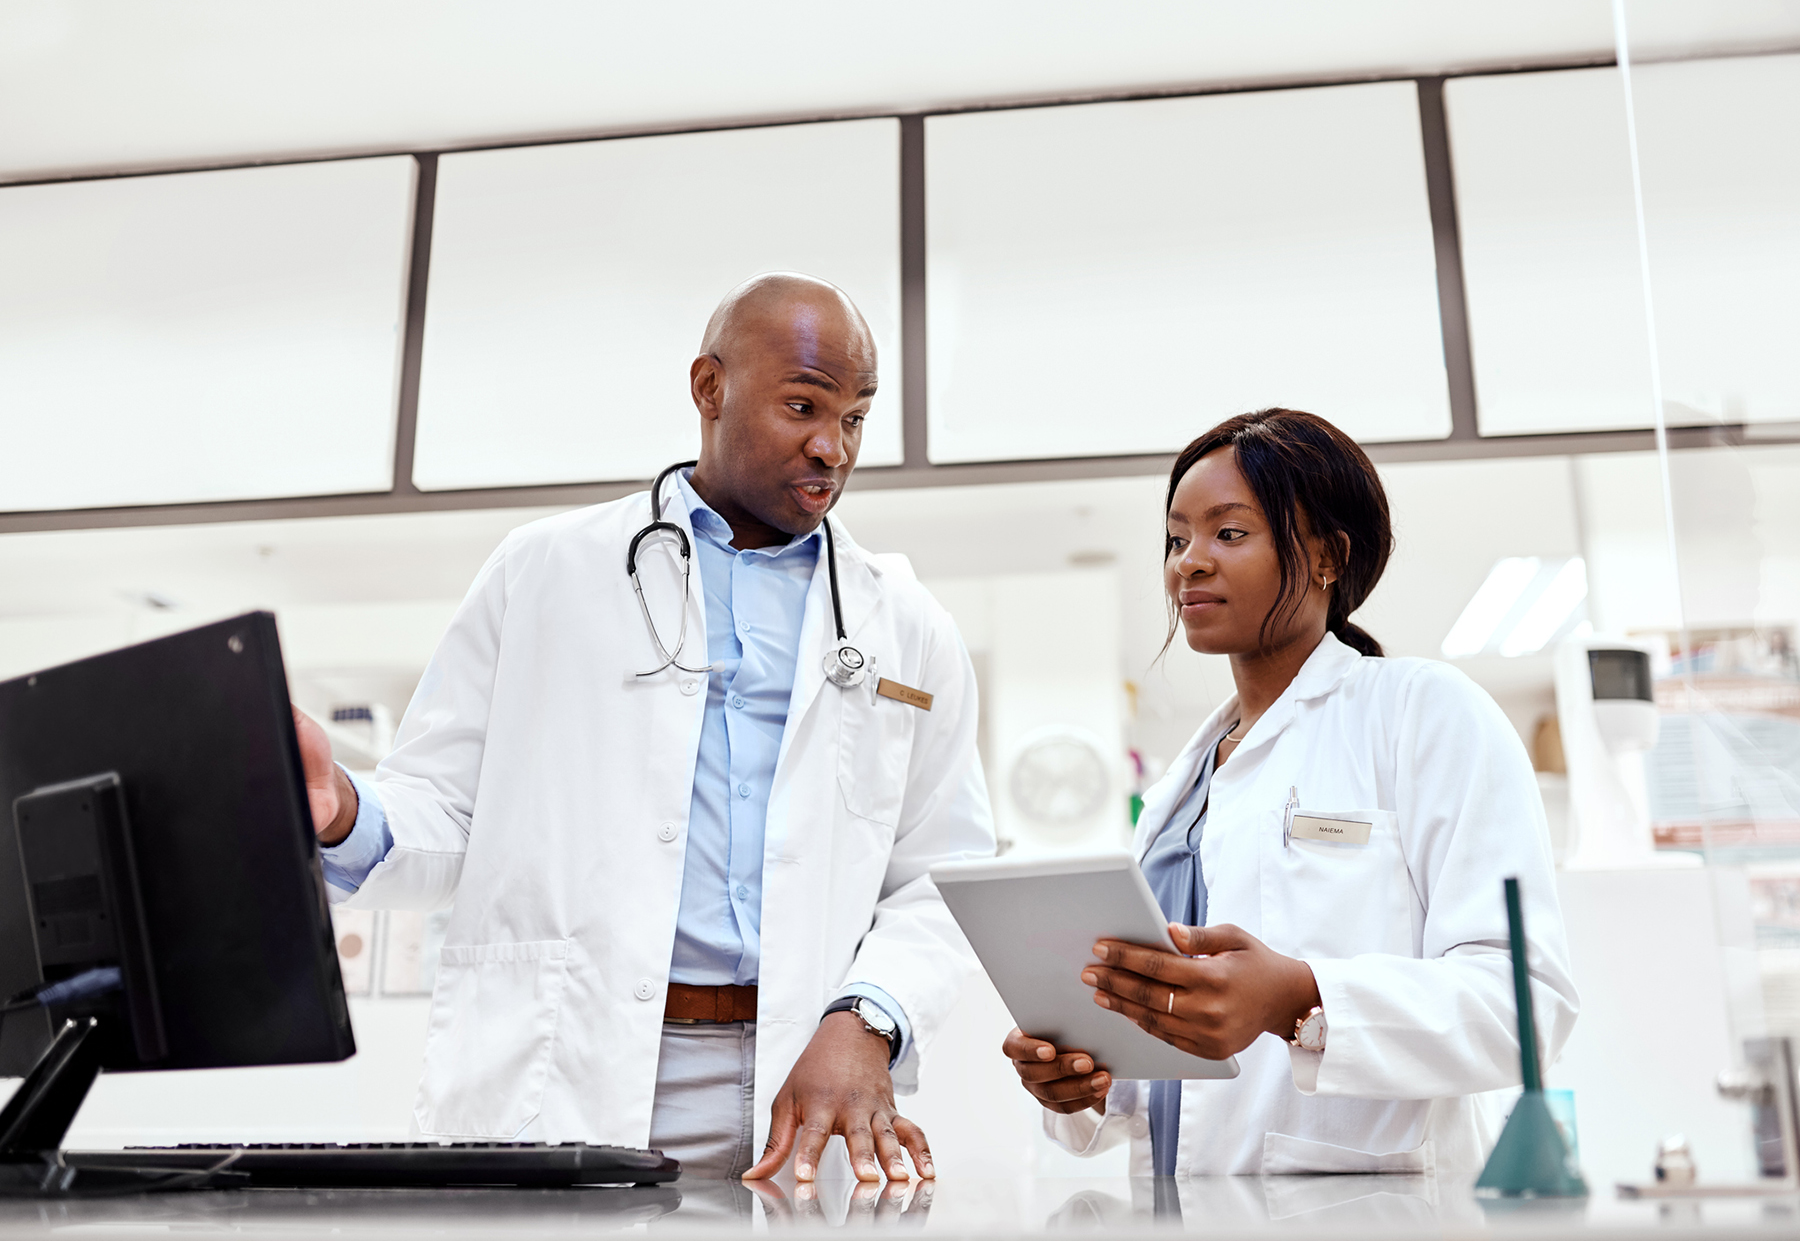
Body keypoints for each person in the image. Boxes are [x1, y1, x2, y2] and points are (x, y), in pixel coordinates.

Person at [296, 272, 994, 1181]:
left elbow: (945, 876)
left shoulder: (905, 621)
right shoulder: (545, 572)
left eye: (856, 417)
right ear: (709, 387)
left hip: (798, 1086)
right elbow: (449, 811)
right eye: (801, 405)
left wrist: (867, 1019)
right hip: (566, 1068)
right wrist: (346, 810)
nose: (834, 446)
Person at [1001, 408, 1578, 1176]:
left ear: (1329, 557)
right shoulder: (1182, 787)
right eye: (1177, 539)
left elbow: (1525, 1006)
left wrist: (1300, 1002)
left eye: (1228, 534)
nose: (1188, 564)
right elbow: (1169, 1073)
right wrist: (1079, 1081)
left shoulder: (1421, 712)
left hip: (1365, 1211)